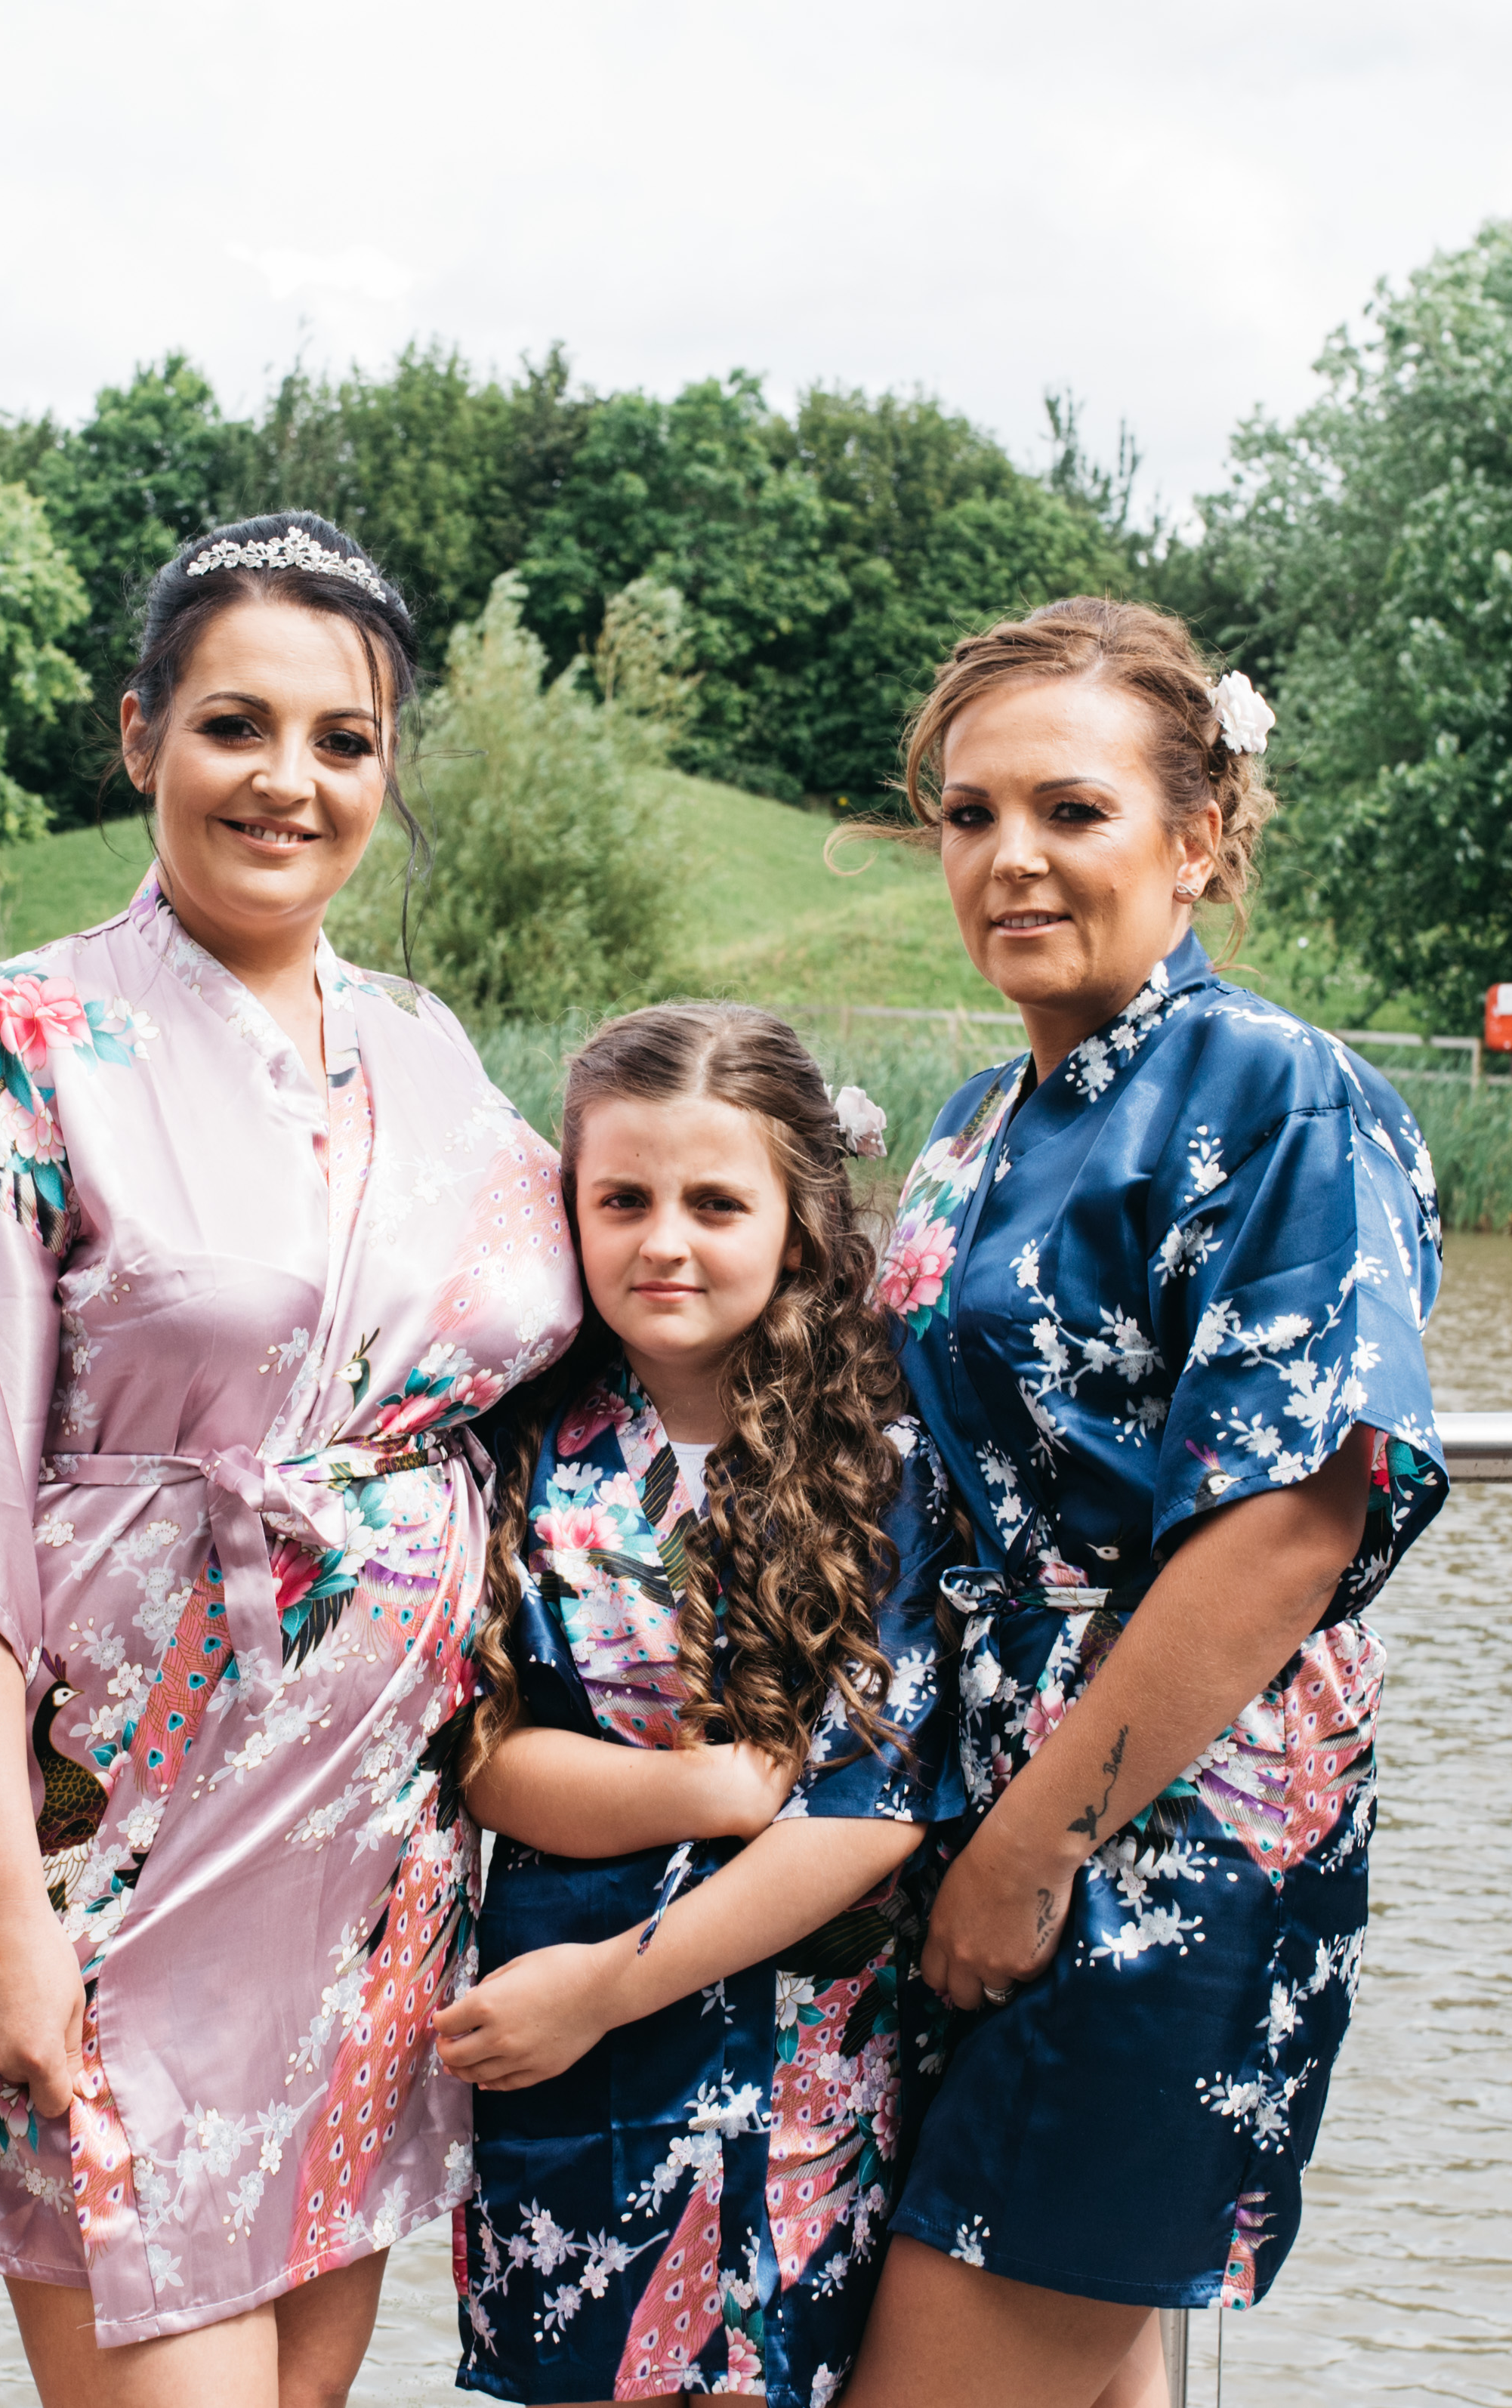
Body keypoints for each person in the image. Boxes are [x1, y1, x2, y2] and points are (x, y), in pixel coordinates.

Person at [0, 512, 582, 2408]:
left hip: (374, 1851)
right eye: (236, 725)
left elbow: (591, 1298)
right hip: (119, 1833)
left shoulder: (425, 1049)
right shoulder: (10, 1046)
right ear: (141, 737)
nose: (290, 780)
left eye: (344, 740)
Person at [839, 600, 1449, 2408]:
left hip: (1154, 1838)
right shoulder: (979, 1121)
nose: (1009, 857)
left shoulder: (1281, 1096)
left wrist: (1033, 1851)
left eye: (1072, 810)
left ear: (1195, 839)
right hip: (969, 1818)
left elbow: (1290, 1529)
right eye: (970, 815)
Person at [436, 1004, 955, 2408]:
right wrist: (704, 1789)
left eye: (716, 1203)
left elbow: (874, 1806)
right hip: (568, 2068)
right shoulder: (515, 1440)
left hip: (805, 2065)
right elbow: (481, 1752)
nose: (665, 1241)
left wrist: (606, 1988)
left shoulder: (883, 1456)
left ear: (799, 1223)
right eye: (624, 1200)